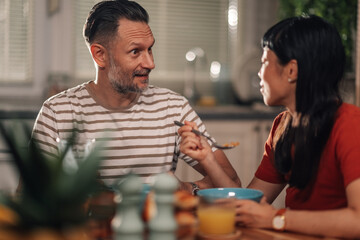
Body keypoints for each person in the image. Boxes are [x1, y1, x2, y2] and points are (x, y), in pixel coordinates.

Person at [178, 15, 360, 238]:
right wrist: (206, 159)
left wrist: (276, 218)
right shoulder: (283, 125)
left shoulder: (350, 125)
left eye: (264, 62)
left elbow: (357, 221)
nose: (259, 73)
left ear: (292, 71)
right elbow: (254, 200)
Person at [30, 0, 240, 192]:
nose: (150, 63)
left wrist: (186, 188)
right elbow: (30, 195)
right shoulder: (57, 112)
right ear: (100, 55)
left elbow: (232, 182)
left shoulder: (173, 107)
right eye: (135, 52)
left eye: (150, 49)